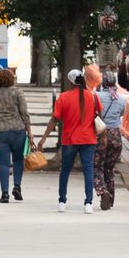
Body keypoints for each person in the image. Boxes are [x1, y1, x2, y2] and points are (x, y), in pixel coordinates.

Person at [43, 67, 101, 213]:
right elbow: (99, 115)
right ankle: (88, 203)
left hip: (69, 140)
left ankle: (62, 201)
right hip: (89, 139)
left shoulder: (63, 97)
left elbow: (54, 119)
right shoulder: (93, 96)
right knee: (88, 170)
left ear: (70, 82)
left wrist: (43, 138)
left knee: (65, 171)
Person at [0, 67, 31, 203]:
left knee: (3, 163)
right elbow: (24, 113)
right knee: (17, 160)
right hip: (18, 130)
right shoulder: (18, 92)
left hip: (0, 132)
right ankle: (17, 186)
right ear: (11, 79)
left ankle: (4, 194)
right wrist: (30, 132)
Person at [91, 66, 128, 210]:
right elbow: (121, 114)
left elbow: (94, 113)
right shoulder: (122, 99)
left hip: (101, 135)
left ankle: (102, 190)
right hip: (116, 136)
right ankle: (111, 199)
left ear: (103, 83)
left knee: (97, 166)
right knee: (109, 168)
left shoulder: (97, 96)